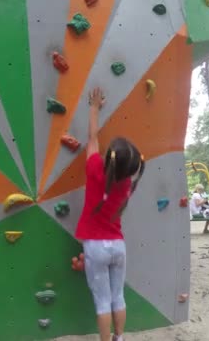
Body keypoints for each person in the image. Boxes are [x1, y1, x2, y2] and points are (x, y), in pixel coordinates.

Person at [75, 88, 145, 341]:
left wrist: (94, 108)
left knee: (102, 302)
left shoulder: (95, 169)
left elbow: (92, 139)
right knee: (118, 296)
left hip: (95, 246)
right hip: (117, 246)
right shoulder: (126, 184)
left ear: (109, 158)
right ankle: (119, 338)